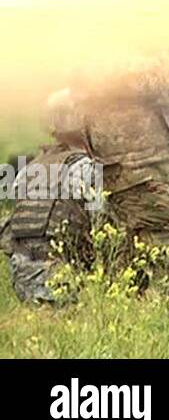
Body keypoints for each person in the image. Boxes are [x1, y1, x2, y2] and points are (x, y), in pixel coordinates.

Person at [52, 52, 169, 294]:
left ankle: (130, 320)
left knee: (131, 253)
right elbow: (156, 79)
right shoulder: (110, 49)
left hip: (138, 162)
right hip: (135, 163)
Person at [0, 126, 101, 304]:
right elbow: (102, 221)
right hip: (63, 274)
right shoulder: (86, 167)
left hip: (22, 276)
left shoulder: (29, 168)